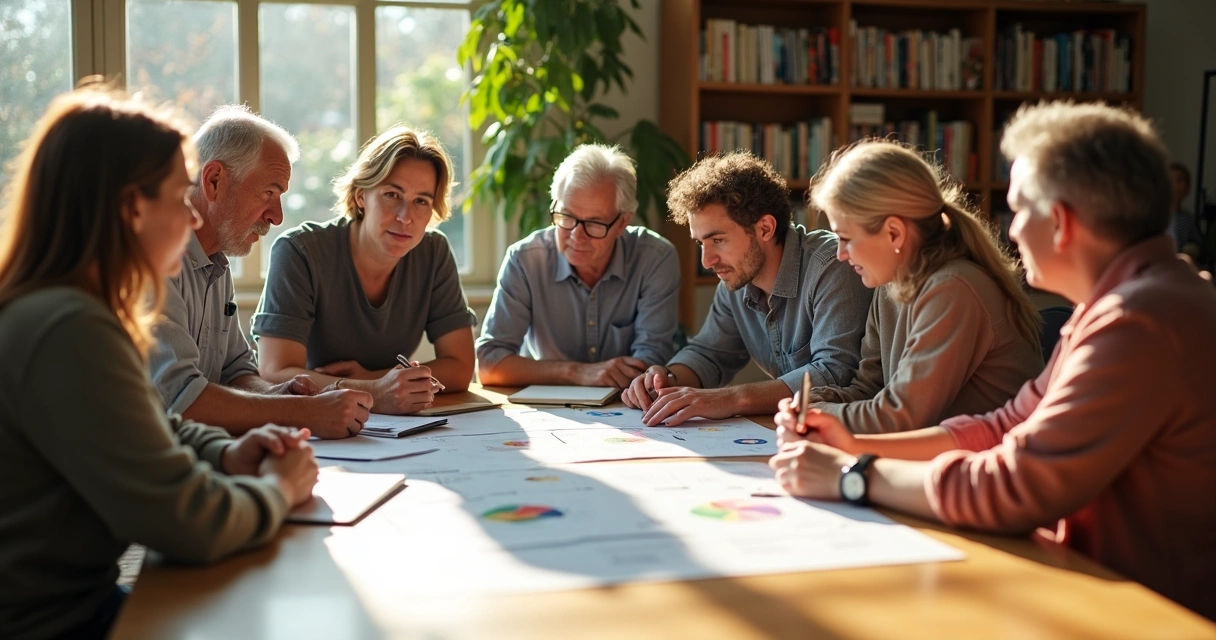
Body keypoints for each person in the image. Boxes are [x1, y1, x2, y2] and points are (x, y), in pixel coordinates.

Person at [771, 102, 1216, 621]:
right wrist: (854, 442)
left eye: (1019, 209)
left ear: (1062, 223)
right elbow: (1004, 426)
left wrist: (854, 474)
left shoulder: (1138, 322)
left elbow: (1015, 485)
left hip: (1144, 610)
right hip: (1097, 583)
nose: (1012, 229)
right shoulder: (1130, 301)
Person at [0, 86, 319, 640]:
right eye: (178, 195)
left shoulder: (74, 308)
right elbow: (188, 523)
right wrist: (279, 490)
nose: (190, 213)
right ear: (131, 208)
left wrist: (229, 452)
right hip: (57, 623)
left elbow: (152, 426)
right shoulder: (69, 329)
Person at [148, 105, 372, 438]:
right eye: (268, 192)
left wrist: (278, 395)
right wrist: (303, 412)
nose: (277, 216)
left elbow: (236, 371)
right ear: (213, 181)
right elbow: (182, 401)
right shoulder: (153, 258)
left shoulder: (216, 265)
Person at [801, 140, 1043, 434]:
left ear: (894, 233)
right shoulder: (890, 285)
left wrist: (817, 414)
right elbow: (869, 390)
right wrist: (813, 402)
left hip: (983, 470)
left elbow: (899, 418)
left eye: (846, 238)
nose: (840, 254)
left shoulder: (953, 289)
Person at [622, 151, 871, 425]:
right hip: (796, 430)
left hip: (855, 435)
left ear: (765, 228)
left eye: (718, 240)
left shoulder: (831, 266)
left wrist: (730, 399)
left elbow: (834, 372)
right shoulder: (737, 280)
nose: (707, 261)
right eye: (700, 243)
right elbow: (709, 354)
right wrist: (664, 378)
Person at [253, 125, 477, 414]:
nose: (405, 217)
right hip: (314, 416)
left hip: (393, 425)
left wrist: (373, 380)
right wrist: (375, 390)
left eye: (421, 201)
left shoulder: (434, 252)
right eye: (392, 195)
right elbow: (274, 372)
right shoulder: (300, 252)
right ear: (361, 195)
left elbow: (460, 368)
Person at [476, 144, 680, 388]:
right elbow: (489, 365)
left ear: (622, 222)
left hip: (626, 409)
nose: (576, 236)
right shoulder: (525, 260)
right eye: (567, 217)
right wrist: (576, 372)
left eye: (594, 223)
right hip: (547, 411)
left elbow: (650, 363)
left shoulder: (654, 258)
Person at [1167, 161, 1202, 260]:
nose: (1175, 186)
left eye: (1179, 180)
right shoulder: (1152, 217)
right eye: (1170, 181)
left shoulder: (1188, 219)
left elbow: (1196, 244)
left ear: (1187, 186)